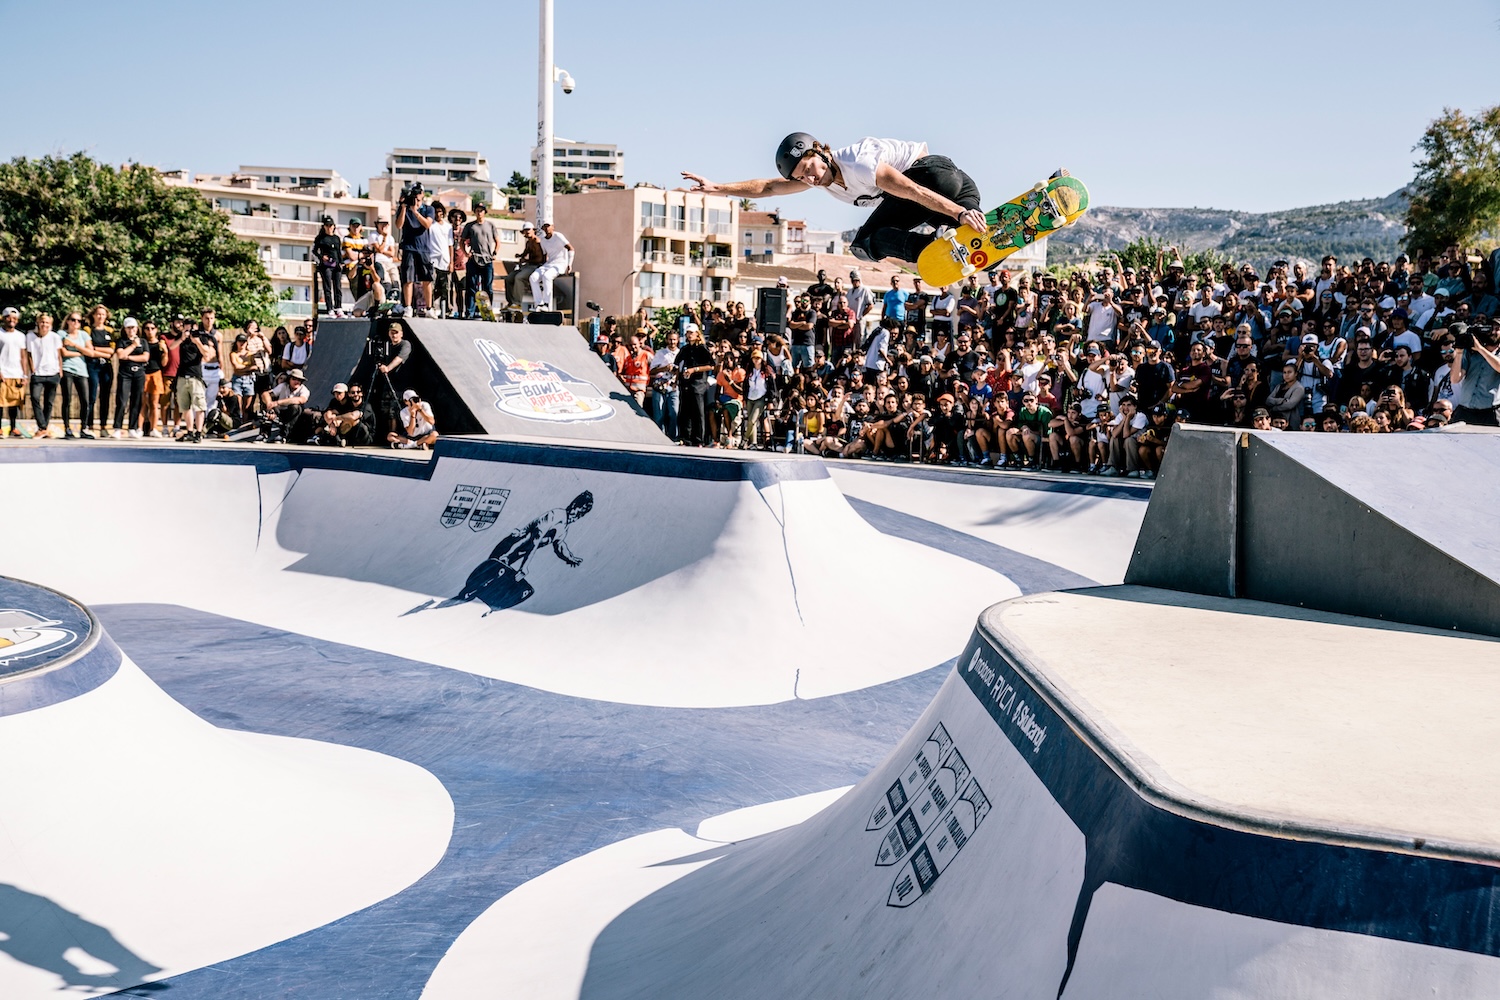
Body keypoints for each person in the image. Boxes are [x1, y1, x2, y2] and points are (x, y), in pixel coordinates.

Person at [683, 133, 986, 265]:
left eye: (809, 169)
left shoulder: (859, 163)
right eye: (802, 178)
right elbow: (768, 187)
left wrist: (957, 213)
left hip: (932, 178)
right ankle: (982, 236)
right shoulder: (819, 181)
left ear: (820, 151)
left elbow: (913, 191)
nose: (811, 179)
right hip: (956, 186)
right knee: (981, 250)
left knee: (865, 242)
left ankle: (933, 249)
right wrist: (717, 187)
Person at [411, 492, 594, 615]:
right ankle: (445, 605)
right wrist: (524, 567)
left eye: (584, 513)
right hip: (509, 548)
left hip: (516, 556)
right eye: (580, 511)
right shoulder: (556, 515)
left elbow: (559, 545)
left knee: (485, 586)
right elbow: (534, 540)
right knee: (477, 586)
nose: (580, 515)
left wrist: (570, 558)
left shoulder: (564, 528)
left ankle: (460, 603)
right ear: (574, 506)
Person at [395, 183, 437, 313]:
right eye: (414, 193)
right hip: (409, 247)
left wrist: (415, 212)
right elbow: (398, 225)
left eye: (419, 192)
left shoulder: (428, 209)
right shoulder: (405, 208)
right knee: (408, 279)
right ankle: (408, 307)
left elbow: (427, 224)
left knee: (426, 279)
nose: (417, 196)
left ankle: (429, 308)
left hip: (423, 248)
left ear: (423, 194)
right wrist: (403, 207)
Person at [174, 317, 215, 443]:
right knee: (185, 406)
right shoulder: (181, 338)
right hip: (182, 376)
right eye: (187, 327)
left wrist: (197, 341)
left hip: (195, 376)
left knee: (199, 406)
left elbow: (207, 355)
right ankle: (190, 431)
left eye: (192, 327)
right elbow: (171, 347)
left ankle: (199, 432)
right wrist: (182, 338)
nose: (189, 330)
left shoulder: (201, 338)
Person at [676, 322, 714, 446]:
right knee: (685, 412)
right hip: (685, 384)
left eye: (691, 333)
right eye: (688, 333)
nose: (689, 335)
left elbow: (711, 365)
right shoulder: (685, 349)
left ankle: (699, 439)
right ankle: (685, 438)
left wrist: (695, 370)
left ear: (697, 334)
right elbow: (677, 363)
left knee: (698, 412)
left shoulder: (702, 348)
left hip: (698, 384)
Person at [110, 318, 148, 437]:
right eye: (129, 328)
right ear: (125, 329)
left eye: (133, 327)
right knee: (122, 400)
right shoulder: (122, 341)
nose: (131, 330)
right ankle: (117, 427)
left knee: (136, 401)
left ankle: (133, 427)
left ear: (137, 328)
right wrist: (133, 345)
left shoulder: (143, 341)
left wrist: (129, 357)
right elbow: (121, 355)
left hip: (139, 373)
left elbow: (145, 357)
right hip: (125, 373)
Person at [463, 204, 501, 317]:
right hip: (474, 258)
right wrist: (466, 253)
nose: (479, 212)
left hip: (487, 259)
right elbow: (462, 240)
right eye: (477, 210)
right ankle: (470, 312)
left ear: (484, 212)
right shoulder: (470, 226)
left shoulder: (490, 225)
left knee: (487, 287)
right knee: (471, 287)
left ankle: (486, 311)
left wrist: (495, 253)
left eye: (481, 210)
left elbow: (497, 241)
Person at [529, 221, 574, 311]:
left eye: (548, 226)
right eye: (544, 226)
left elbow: (571, 248)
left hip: (560, 264)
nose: (547, 228)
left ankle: (547, 304)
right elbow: (545, 255)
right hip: (549, 264)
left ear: (553, 227)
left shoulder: (558, 236)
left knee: (547, 276)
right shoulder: (543, 240)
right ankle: (539, 304)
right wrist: (542, 266)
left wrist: (569, 264)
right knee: (533, 278)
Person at [0, 307, 28, 437]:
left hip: (16, 373)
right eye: (9, 317)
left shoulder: (21, 336)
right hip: (3, 372)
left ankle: (13, 428)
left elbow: (23, 356)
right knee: (0, 403)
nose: (12, 320)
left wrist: (24, 374)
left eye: (14, 318)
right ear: (4, 318)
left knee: (14, 403)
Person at [260, 368, 310, 440]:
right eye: (294, 379)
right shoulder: (283, 386)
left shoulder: (304, 390)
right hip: (280, 411)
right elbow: (265, 394)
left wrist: (278, 402)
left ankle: (284, 435)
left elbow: (301, 400)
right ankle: (264, 434)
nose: (296, 382)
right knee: (267, 407)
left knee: (295, 407)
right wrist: (269, 404)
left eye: (299, 380)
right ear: (289, 379)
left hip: (294, 416)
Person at [649, 328, 680, 439]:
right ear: (666, 340)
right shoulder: (661, 353)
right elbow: (651, 371)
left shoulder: (680, 353)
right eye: (670, 339)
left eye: (674, 340)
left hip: (674, 386)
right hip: (660, 386)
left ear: (678, 340)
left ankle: (673, 437)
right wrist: (664, 368)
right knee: (659, 415)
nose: (672, 342)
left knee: (674, 413)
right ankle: (659, 437)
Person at [312, 215, 345, 314]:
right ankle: (330, 308)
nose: (329, 227)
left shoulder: (336, 238)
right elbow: (314, 251)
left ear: (334, 226)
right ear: (324, 227)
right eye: (327, 225)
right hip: (326, 265)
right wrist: (322, 257)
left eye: (331, 225)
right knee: (327, 287)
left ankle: (338, 307)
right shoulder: (320, 238)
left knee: (338, 287)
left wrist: (341, 262)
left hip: (336, 265)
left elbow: (338, 252)